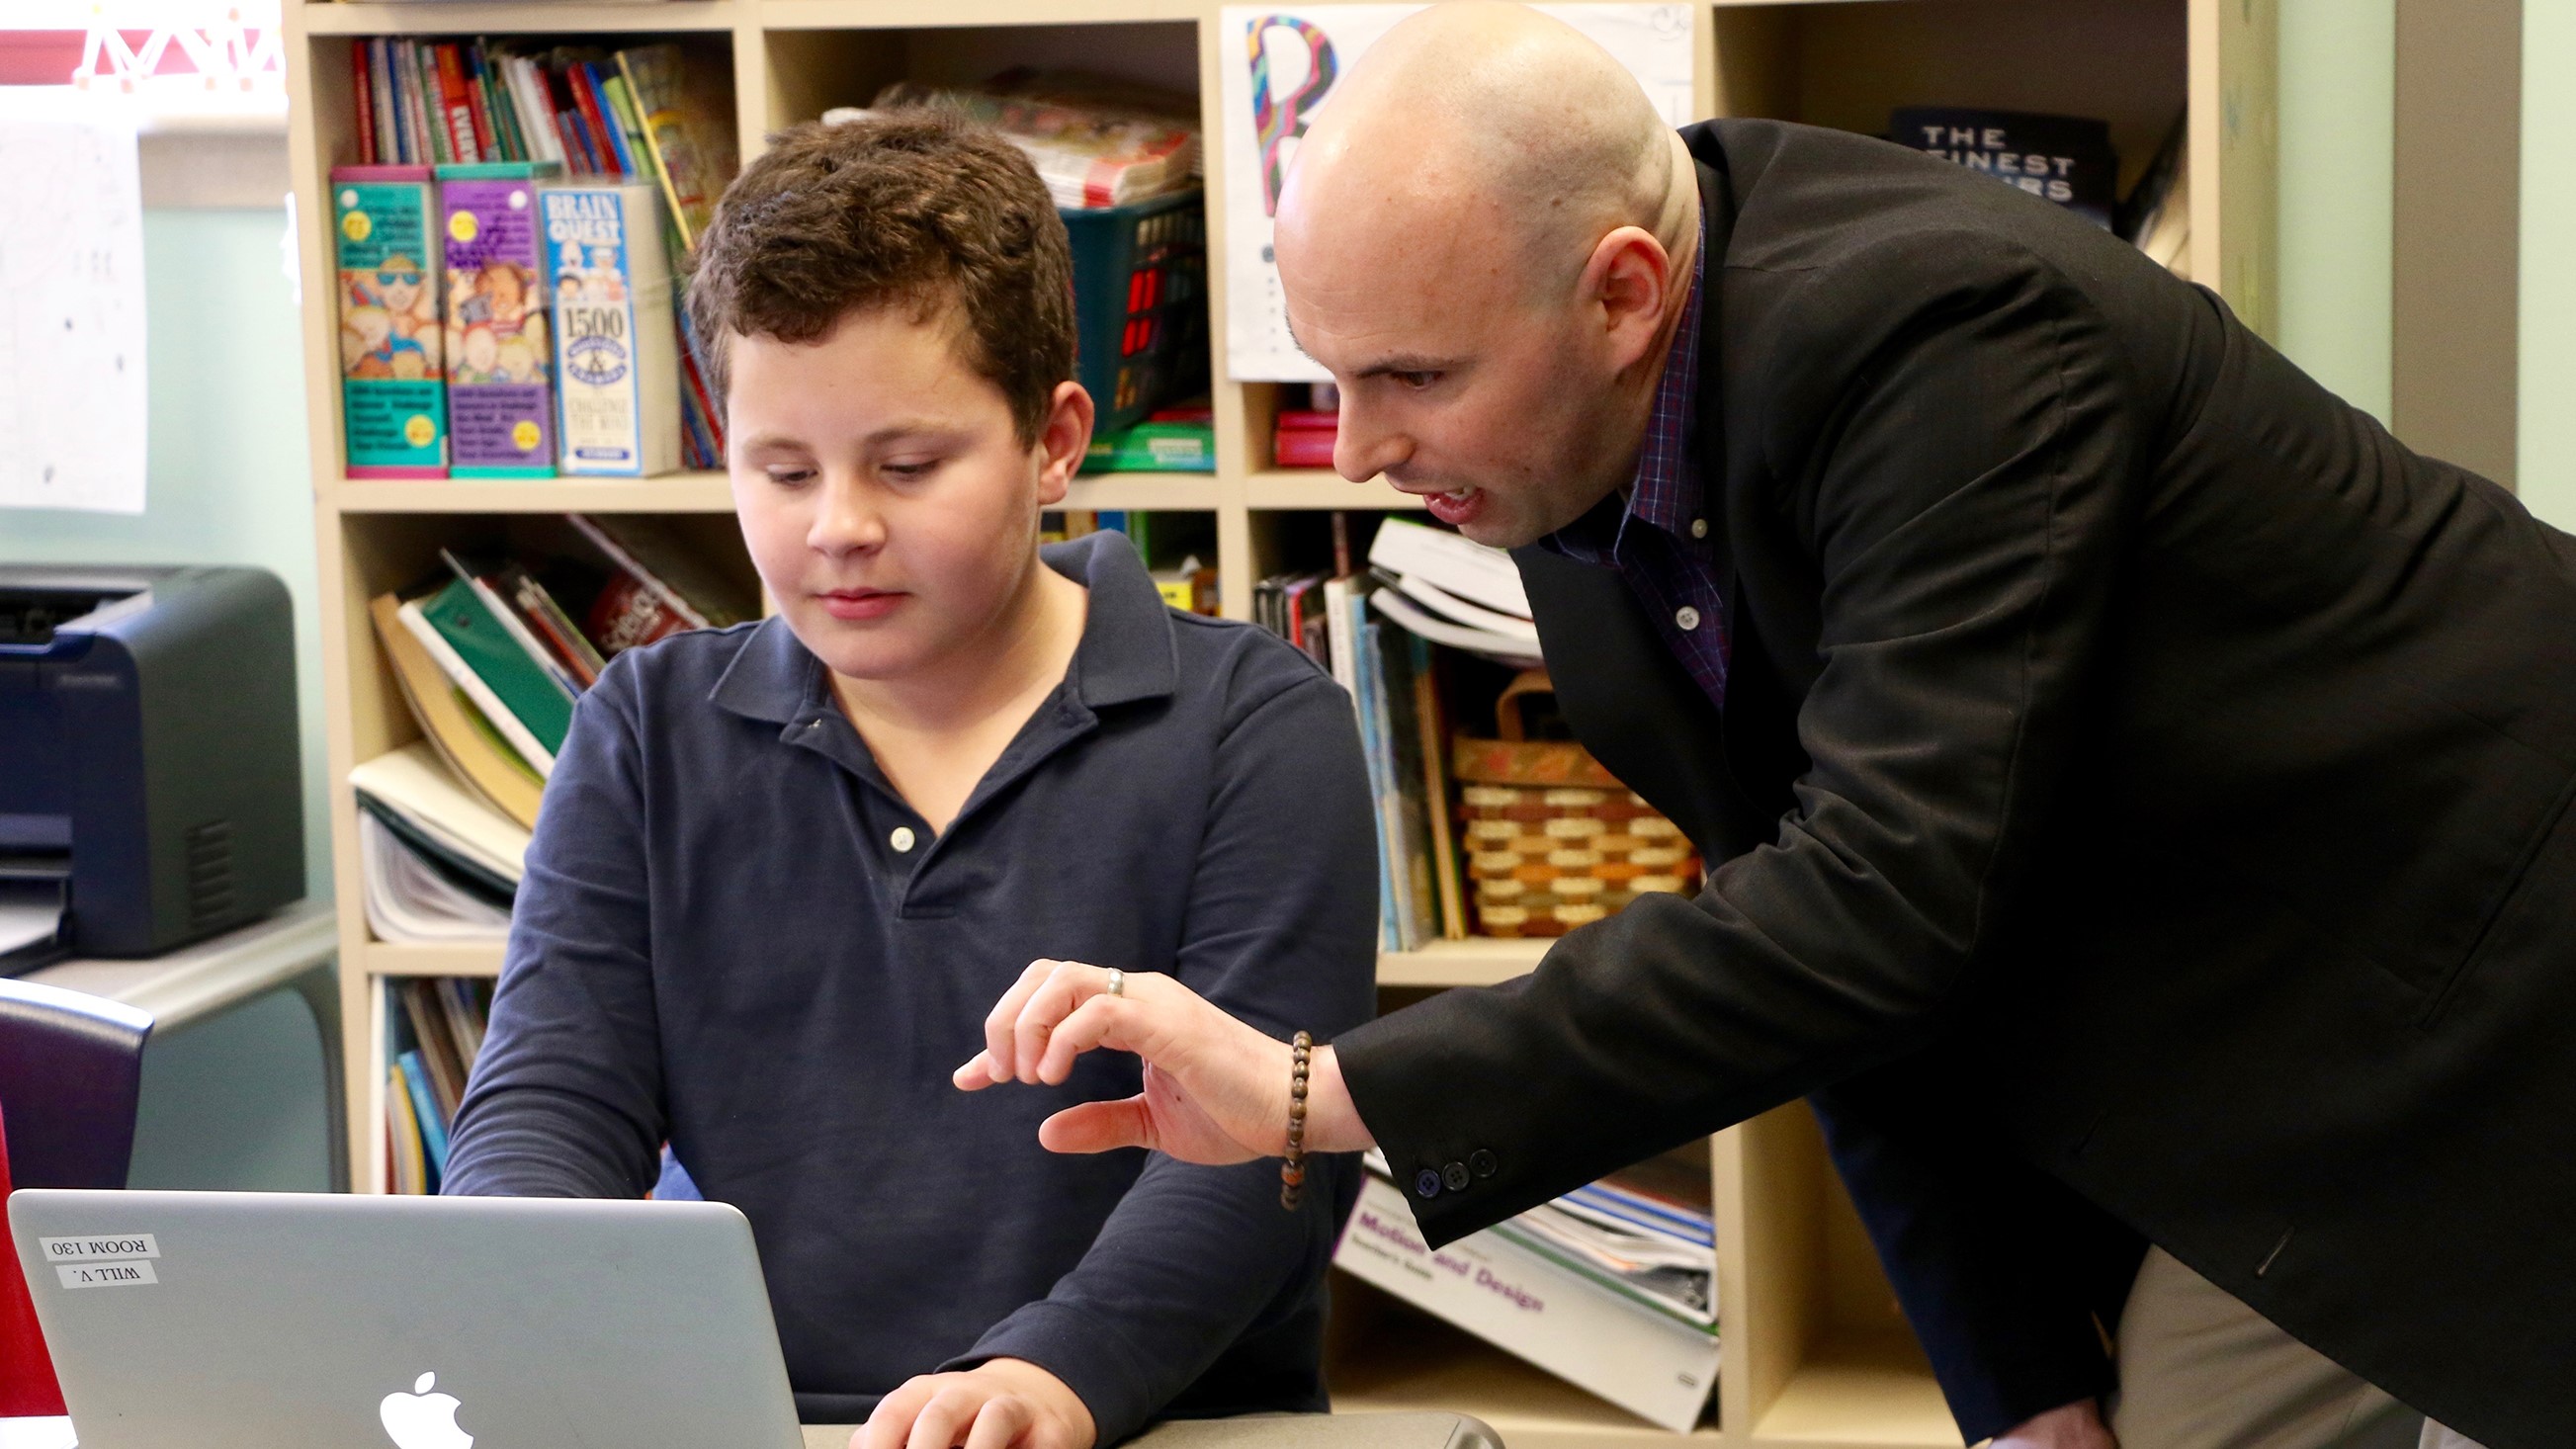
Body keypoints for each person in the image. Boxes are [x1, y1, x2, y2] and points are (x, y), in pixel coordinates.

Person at [960, 7, 2574, 1449]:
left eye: (1411, 378)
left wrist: (1319, 1092)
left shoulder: (1945, 332)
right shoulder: (1567, 439)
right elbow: (1815, 955)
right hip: (2262, 1032)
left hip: (2501, 944)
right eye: (1336, 376)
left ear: (1622, 291)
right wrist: (2017, 1385)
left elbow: (1878, 901)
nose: (1358, 450)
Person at [442, 112, 1379, 1449]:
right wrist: (518, 1297)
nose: (837, 527)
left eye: (907, 465)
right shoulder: (647, 727)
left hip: (1140, 1414)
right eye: (780, 469)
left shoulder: (1253, 726)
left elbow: (1261, 1151)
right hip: (761, 1422)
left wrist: (1051, 1373)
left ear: (1054, 440)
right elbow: (551, 1097)